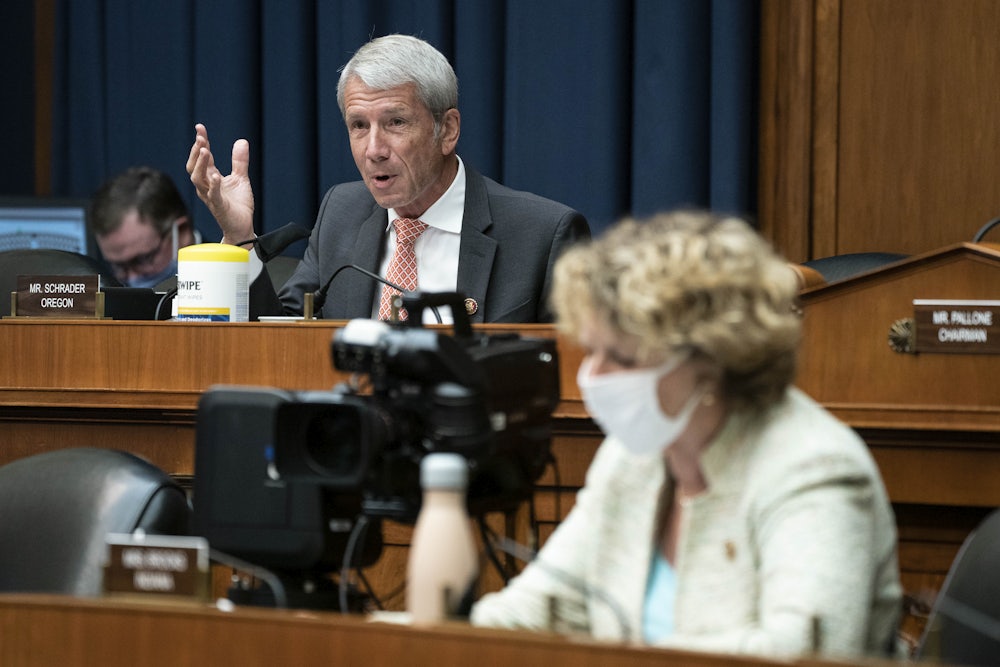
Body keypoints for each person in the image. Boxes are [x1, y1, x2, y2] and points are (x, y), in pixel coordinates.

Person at [470, 210, 903, 658]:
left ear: (709, 361)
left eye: (621, 357)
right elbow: (533, 611)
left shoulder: (812, 467)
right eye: (592, 350)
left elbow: (803, 654)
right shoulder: (632, 457)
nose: (591, 376)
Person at [186, 34, 590, 323]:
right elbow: (283, 343)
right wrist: (241, 238)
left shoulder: (544, 235)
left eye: (395, 122)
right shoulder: (341, 212)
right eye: (359, 125)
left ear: (447, 130)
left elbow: (574, 382)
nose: (373, 149)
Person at [88, 166, 199, 288]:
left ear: (181, 234)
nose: (132, 279)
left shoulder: (222, 285)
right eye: (118, 266)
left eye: (143, 260)